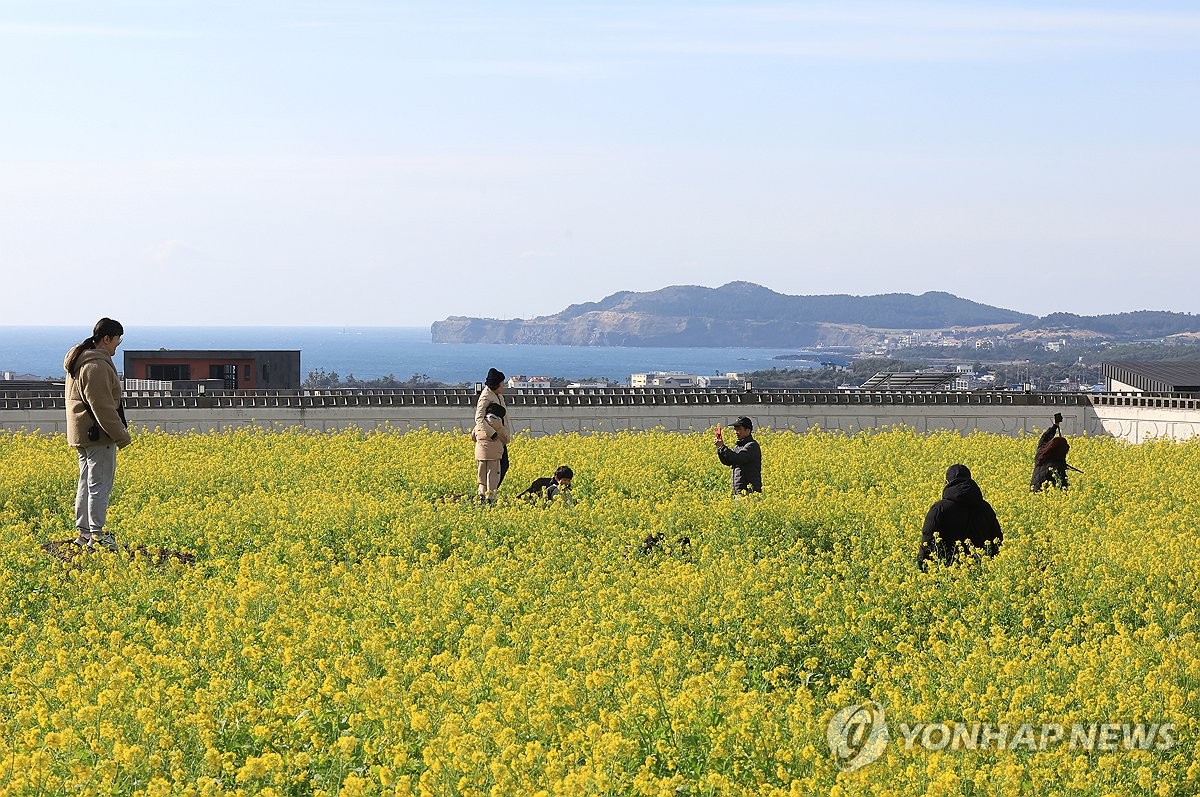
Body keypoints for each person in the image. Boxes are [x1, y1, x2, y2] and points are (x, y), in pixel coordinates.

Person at [64, 318, 131, 551]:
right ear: (106, 338)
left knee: (86, 483)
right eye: (116, 341)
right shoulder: (96, 366)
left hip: (82, 434)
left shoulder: (78, 360)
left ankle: (83, 533)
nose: (116, 346)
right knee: (99, 485)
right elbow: (102, 407)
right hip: (98, 435)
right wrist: (121, 435)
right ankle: (97, 535)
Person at [917, 464, 1003, 571]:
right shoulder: (985, 507)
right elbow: (997, 540)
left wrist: (923, 569)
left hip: (946, 572)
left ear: (947, 482)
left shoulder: (939, 508)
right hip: (981, 571)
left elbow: (928, 539)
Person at [471, 368, 510, 503]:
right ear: (496, 384)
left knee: (499, 467)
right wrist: (493, 434)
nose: (504, 386)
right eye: (502, 383)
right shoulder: (486, 397)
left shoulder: (497, 395)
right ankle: (489, 495)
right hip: (493, 439)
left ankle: (488, 493)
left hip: (498, 438)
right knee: (494, 469)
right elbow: (479, 418)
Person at [715, 416, 762, 495]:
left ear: (748, 430)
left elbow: (738, 459)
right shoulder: (738, 446)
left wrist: (723, 447)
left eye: (739, 429)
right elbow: (728, 462)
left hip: (749, 492)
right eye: (735, 429)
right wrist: (720, 448)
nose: (736, 432)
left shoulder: (752, 446)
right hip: (739, 491)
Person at [1031, 413, 1073, 492]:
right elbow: (1064, 487)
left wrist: (1055, 425)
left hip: (1034, 492)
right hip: (1044, 497)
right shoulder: (1057, 466)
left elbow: (1044, 439)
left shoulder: (1041, 453)